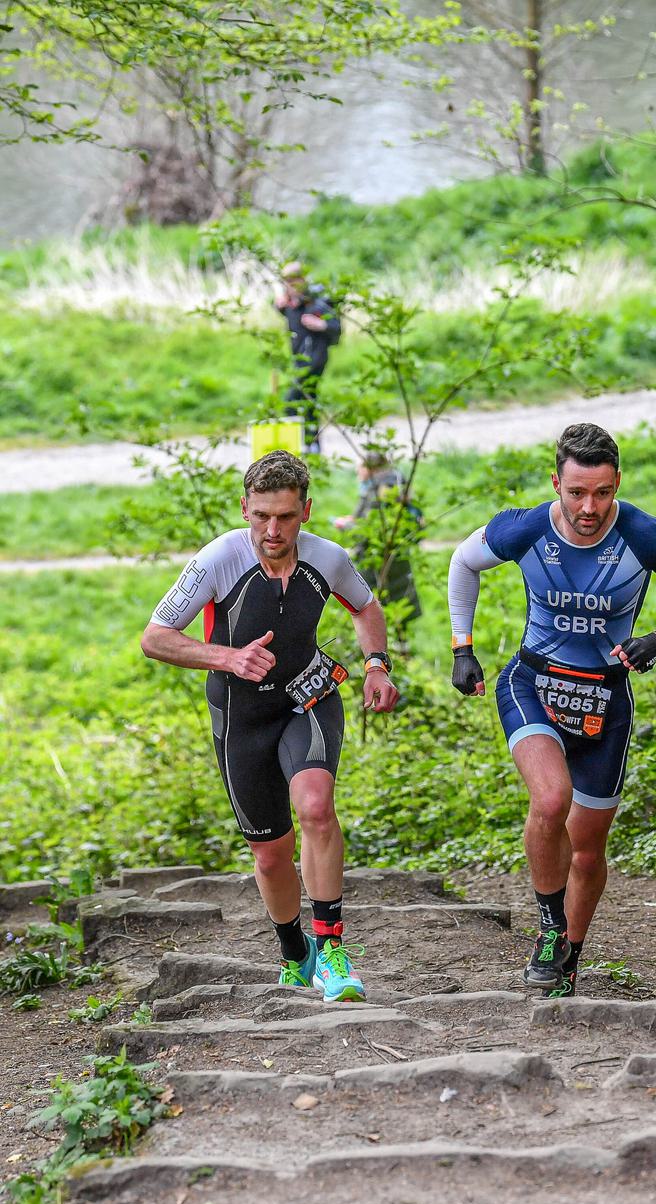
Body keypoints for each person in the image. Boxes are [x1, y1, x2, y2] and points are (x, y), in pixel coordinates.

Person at [447, 422, 656, 996]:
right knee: (550, 800)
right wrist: (462, 648)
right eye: (576, 492)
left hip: (606, 700)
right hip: (534, 683)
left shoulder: (646, 534)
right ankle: (551, 927)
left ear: (617, 483)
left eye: (602, 493)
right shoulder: (525, 527)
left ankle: (568, 954)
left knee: (588, 846)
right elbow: (462, 561)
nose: (589, 507)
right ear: (556, 482)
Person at [141, 450, 399, 1001]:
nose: (272, 529)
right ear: (244, 509)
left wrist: (377, 665)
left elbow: (366, 607)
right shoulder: (217, 560)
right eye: (261, 516)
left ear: (305, 510)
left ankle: (332, 950)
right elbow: (155, 638)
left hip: (308, 697)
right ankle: (295, 950)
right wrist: (227, 658)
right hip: (242, 719)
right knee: (269, 852)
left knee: (315, 806)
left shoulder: (328, 559)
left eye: (284, 516)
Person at [334, 452, 423, 643]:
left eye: (361, 466)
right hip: (397, 554)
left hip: (377, 555)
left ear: (371, 468)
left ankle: (372, 647)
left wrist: (347, 526)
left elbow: (372, 528)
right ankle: (401, 646)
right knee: (399, 600)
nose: (358, 471)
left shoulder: (379, 488)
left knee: (367, 601)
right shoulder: (395, 483)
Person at [275, 262, 341, 453]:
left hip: (315, 360)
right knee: (309, 401)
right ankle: (312, 446)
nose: (291, 285)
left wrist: (321, 325)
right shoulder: (290, 303)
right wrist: (279, 306)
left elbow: (336, 328)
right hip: (299, 360)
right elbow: (289, 316)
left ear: (303, 280)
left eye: (294, 281)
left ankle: (291, 450)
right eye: (287, 282)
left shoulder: (317, 302)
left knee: (291, 403)